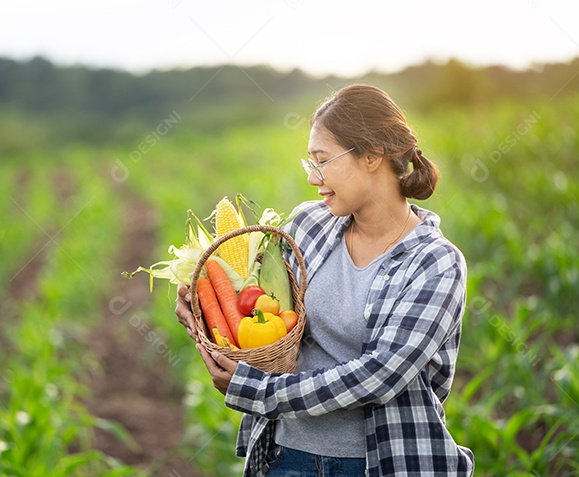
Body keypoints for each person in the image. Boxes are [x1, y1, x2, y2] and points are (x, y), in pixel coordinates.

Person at [174, 84, 474, 476]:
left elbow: (379, 376)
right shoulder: (307, 225)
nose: (314, 178)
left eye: (322, 161)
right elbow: (259, 307)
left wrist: (260, 391)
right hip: (286, 459)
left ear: (372, 156)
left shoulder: (435, 263)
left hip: (382, 465)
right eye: (309, 164)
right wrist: (203, 306)